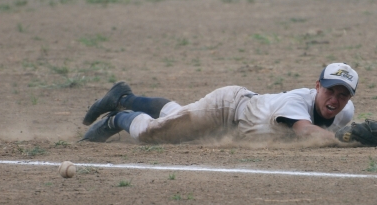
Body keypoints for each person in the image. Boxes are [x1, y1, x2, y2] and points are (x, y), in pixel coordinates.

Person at [81, 62, 358, 146]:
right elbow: (306, 131)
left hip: (237, 122)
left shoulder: (344, 113)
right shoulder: (297, 102)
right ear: (317, 86)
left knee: (177, 117)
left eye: (343, 95)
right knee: (152, 134)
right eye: (330, 90)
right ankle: (117, 116)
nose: (335, 100)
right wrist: (348, 140)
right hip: (226, 110)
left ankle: (123, 96)